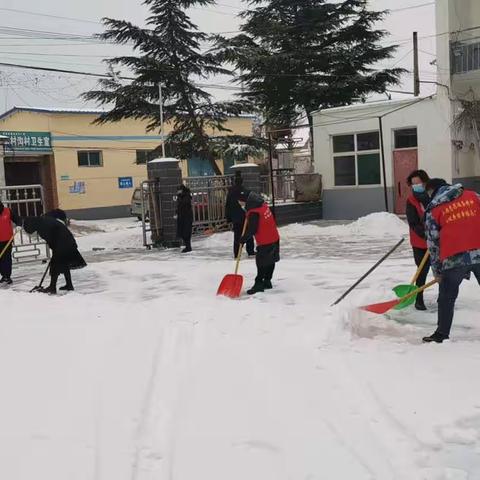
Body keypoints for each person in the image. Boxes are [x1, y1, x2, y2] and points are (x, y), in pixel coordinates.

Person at [423, 179, 480, 343]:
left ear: (431, 191)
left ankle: (441, 333)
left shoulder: (433, 209)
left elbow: (433, 244)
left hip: (454, 257)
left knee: (447, 297)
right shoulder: (473, 196)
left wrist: (437, 272)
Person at [23, 215, 86, 294]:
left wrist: (55, 250)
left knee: (55, 265)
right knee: (64, 263)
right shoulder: (42, 221)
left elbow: (52, 239)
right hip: (66, 242)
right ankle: (69, 285)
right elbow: (53, 238)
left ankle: (52, 288)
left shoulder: (42, 227)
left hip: (63, 243)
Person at [238, 190, 280, 295]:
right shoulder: (263, 206)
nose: (240, 205)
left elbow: (252, 229)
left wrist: (243, 239)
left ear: (245, 201)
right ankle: (267, 281)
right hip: (274, 237)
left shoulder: (254, 212)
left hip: (265, 241)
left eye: (240, 202)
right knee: (270, 261)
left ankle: (259, 284)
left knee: (261, 263)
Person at [406, 169, 431, 310]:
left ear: (425, 182)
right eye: (413, 184)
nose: (416, 186)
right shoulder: (411, 200)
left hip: (437, 243)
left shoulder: (433, 197)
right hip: (419, 243)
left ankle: (444, 298)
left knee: (440, 271)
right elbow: (413, 222)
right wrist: (427, 235)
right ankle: (419, 299)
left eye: (418, 183)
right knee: (421, 272)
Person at [225, 171, 255, 258]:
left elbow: (227, 205)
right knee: (248, 234)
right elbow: (250, 204)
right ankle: (250, 251)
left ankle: (237, 253)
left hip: (236, 218)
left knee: (237, 235)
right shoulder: (246, 191)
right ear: (242, 182)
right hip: (245, 217)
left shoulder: (231, 192)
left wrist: (229, 218)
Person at [0, 201, 20, 285]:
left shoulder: (7, 211)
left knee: (7, 258)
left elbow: (17, 219)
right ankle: (3, 275)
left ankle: (7, 276)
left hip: (7, 240)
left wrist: (18, 225)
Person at [176, 184, 193, 253]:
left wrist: (180, 197)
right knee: (182, 232)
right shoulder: (181, 196)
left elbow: (184, 205)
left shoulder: (186, 196)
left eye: (179, 190)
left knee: (186, 232)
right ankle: (187, 246)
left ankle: (188, 247)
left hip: (187, 217)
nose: (178, 191)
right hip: (182, 217)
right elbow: (179, 206)